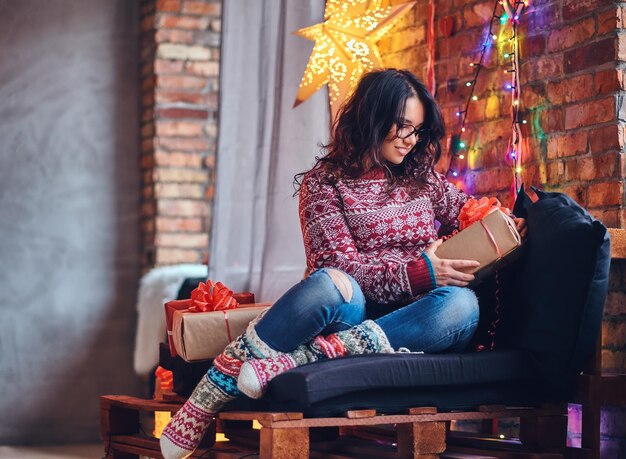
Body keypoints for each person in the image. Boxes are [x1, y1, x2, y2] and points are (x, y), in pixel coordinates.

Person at [159, 69, 528, 459]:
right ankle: (215, 384)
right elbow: (343, 269)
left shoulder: (424, 179)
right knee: (329, 283)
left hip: (415, 322)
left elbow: (467, 212)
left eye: (417, 130)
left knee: (462, 305)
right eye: (401, 126)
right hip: (351, 310)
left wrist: (507, 224)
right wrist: (420, 272)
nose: (410, 140)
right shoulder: (324, 183)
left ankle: (301, 358)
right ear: (371, 118)